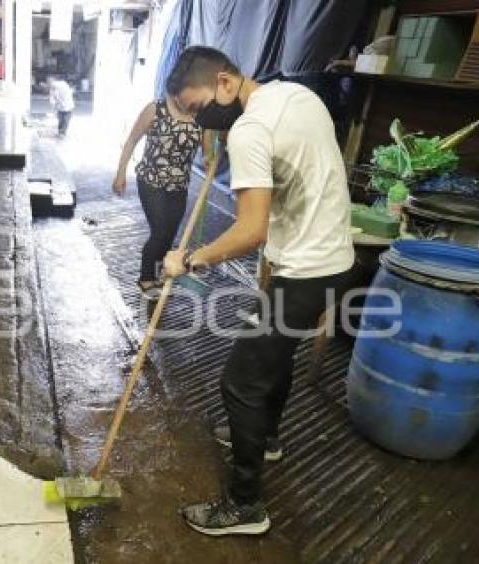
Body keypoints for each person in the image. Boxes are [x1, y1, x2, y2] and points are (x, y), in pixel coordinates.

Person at [163, 46, 355, 536]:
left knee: (240, 382)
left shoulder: (249, 130)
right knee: (276, 355)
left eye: (200, 108)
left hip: (305, 269)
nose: (200, 120)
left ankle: (244, 506)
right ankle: (266, 437)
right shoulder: (295, 94)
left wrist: (188, 259)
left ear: (226, 83)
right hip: (337, 260)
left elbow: (251, 231)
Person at [113, 96, 213, 298]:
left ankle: (160, 274)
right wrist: (121, 173)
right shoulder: (155, 109)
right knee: (159, 231)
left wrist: (212, 159)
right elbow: (132, 139)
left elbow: (208, 153)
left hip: (179, 186)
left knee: (169, 235)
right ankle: (146, 278)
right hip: (151, 181)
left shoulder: (203, 116)